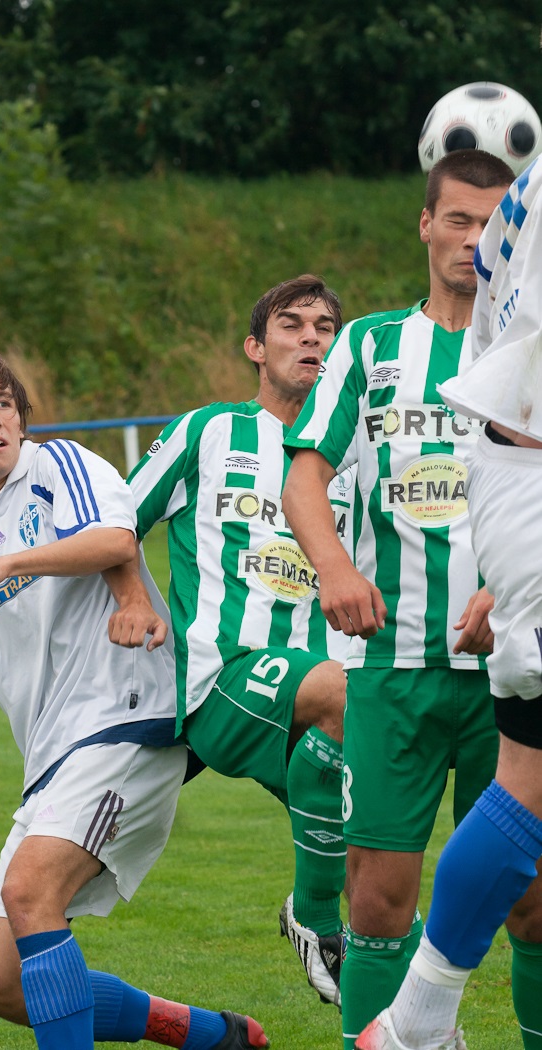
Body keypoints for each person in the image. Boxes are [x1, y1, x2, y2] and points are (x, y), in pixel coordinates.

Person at [0, 350, 268, 1050]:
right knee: (3, 986)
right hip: (53, 761)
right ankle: (209, 1036)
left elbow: (112, 538)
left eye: (4, 402)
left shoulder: (56, 467)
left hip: (127, 719)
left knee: (30, 890)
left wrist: (3, 565)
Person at [279, 151, 536, 1050]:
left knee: (535, 901)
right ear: (425, 225)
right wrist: (338, 570)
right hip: (391, 671)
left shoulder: (530, 347)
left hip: (513, 666)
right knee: (379, 896)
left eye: (491, 224)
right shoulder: (372, 346)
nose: (473, 241)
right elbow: (304, 477)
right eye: (457, 220)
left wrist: (515, 590)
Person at [355, 157, 542, 1050]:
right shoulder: (373, 344)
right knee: (529, 787)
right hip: (529, 485)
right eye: (452, 220)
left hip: (517, 493)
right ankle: (416, 1020)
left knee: (528, 783)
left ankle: (417, 1020)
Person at [128, 275, 351, 1010]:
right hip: (222, 676)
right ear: (256, 348)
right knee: (343, 695)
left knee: (381, 868)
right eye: (292, 325)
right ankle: (316, 923)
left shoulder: (353, 455)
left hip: (316, 676)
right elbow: (113, 522)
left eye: (325, 327)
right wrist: (131, 598)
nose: (312, 337)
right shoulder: (209, 430)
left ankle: (403, 1019)